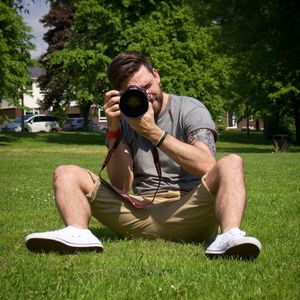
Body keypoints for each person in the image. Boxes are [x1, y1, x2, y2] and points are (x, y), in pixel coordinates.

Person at [25, 51, 262, 259]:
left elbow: (207, 165)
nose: (147, 96)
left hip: (189, 212)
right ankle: (77, 233)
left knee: (232, 162)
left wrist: (153, 132)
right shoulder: (125, 119)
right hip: (138, 213)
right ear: (120, 94)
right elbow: (121, 184)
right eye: (135, 92)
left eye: (148, 86)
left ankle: (229, 237)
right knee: (65, 173)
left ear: (157, 75)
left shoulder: (190, 109)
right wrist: (114, 127)